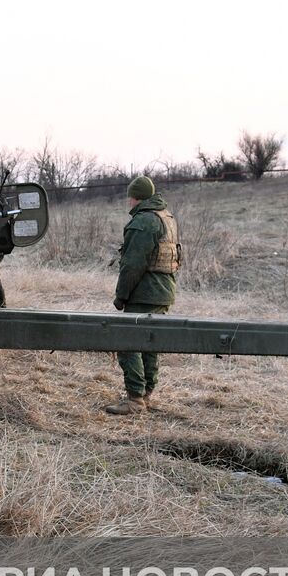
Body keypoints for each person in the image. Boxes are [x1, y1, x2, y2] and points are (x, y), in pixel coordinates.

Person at [105, 175, 179, 415]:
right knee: (149, 343)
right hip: (163, 291)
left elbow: (133, 264)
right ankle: (146, 394)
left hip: (145, 292)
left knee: (128, 342)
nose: (129, 202)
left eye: (130, 197)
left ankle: (135, 399)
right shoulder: (165, 217)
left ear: (135, 197)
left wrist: (121, 296)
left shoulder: (144, 221)